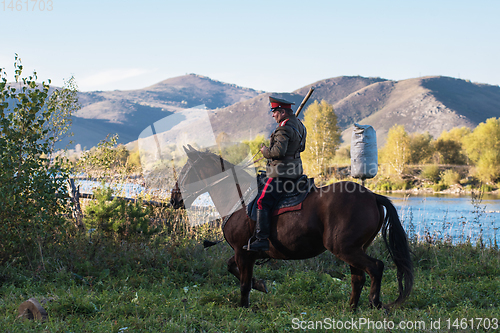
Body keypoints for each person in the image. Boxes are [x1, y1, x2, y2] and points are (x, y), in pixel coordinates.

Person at [244, 96, 307, 252]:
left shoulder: (284, 128)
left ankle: (262, 239)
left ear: (283, 112)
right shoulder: (299, 125)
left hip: (281, 174)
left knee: (261, 201)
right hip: (296, 172)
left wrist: (265, 151)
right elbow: (302, 147)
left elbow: (277, 152)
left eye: (275, 112)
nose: (273, 115)